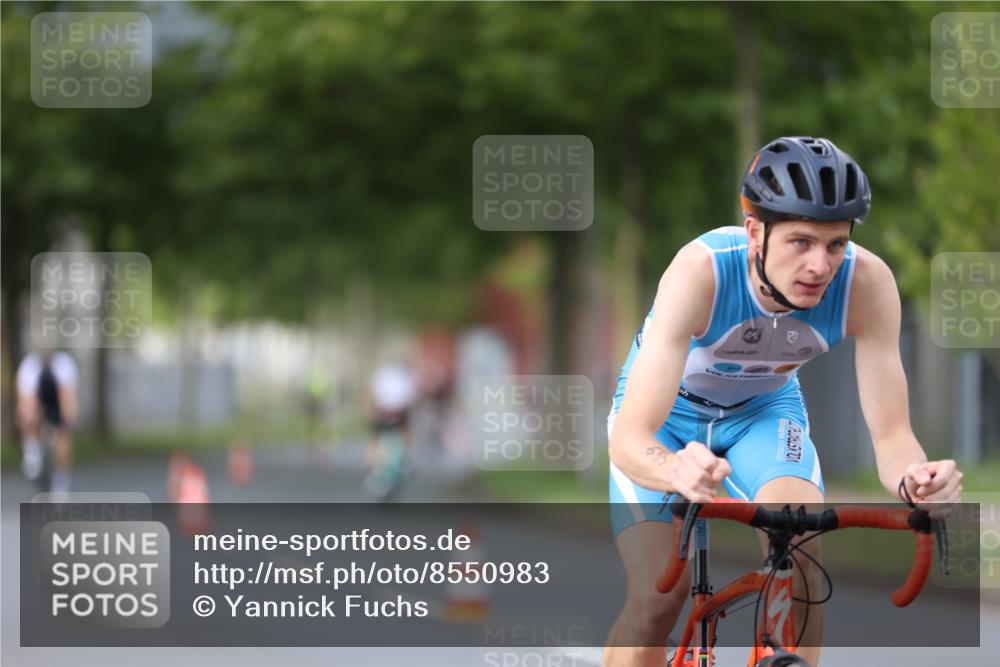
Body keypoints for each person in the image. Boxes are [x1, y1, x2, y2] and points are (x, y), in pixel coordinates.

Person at [604, 136, 964, 667]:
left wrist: (918, 479)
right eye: (800, 242)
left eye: (836, 244)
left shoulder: (866, 285)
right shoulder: (701, 271)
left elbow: (892, 437)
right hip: (667, 422)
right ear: (755, 232)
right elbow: (630, 437)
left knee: (802, 544)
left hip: (763, 415)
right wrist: (674, 468)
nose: (821, 265)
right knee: (658, 599)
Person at [16, 349, 80, 494]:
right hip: (37, 397)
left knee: (64, 433)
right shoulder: (28, 366)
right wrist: (28, 419)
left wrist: (68, 418)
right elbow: (26, 401)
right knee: (28, 415)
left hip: (58, 399)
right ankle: (32, 452)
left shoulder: (65, 365)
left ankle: (61, 481)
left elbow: (68, 399)